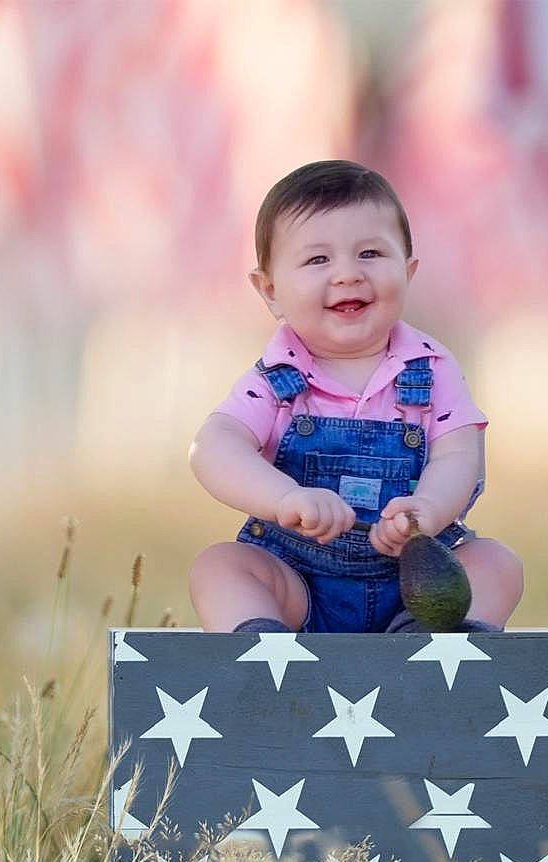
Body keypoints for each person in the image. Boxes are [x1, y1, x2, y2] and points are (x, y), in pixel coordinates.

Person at [188, 160, 523, 633]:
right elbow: (214, 447)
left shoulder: (432, 368)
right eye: (317, 260)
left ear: (407, 271)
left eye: (369, 254)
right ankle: (264, 650)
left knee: (496, 564)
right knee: (219, 567)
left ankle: (426, 639)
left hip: (417, 581)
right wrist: (285, 496)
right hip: (297, 583)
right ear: (271, 290)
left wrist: (426, 509)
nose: (347, 274)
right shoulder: (274, 380)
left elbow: (458, 454)